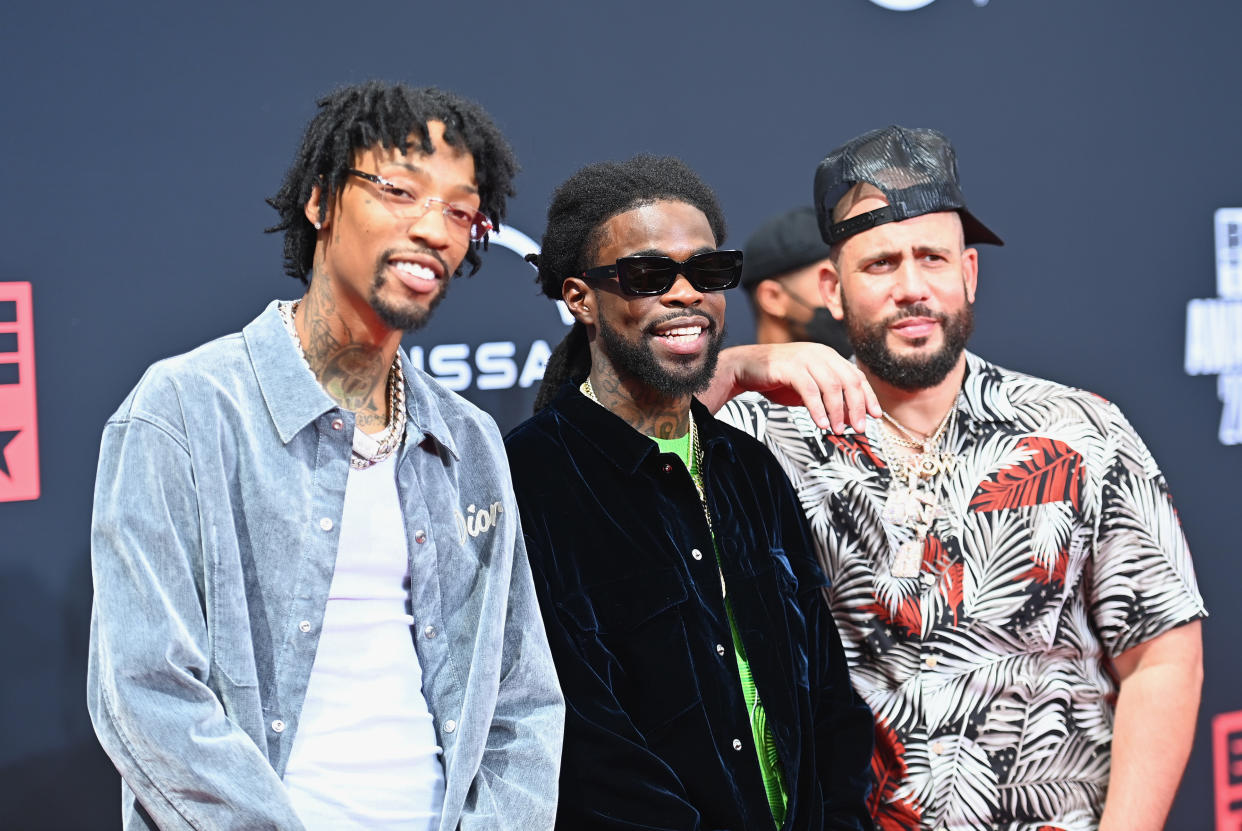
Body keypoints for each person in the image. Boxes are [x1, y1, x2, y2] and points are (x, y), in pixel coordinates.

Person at [87, 81, 563, 831]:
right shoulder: (182, 412)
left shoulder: (467, 440)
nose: (435, 229)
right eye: (401, 190)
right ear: (320, 201)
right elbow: (146, 692)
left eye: (460, 210)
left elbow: (521, 698)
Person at [720, 125, 1206, 831]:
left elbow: (1162, 655)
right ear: (832, 287)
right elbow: (606, 449)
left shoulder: (1079, 430)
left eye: (933, 258)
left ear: (969, 273)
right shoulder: (766, 437)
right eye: (882, 263)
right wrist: (738, 368)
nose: (912, 288)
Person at [508, 155, 876, 830]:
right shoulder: (532, 476)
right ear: (579, 297)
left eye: (707, 272)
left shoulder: (751, 469)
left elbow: (829, 702)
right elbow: (586, 744)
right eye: (649, 275)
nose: (687, 294)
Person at [741, 206, 852, 357]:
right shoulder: (722, 379)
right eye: (830, 282)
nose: (845, 298)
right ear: (772, 297)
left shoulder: (861, 375)